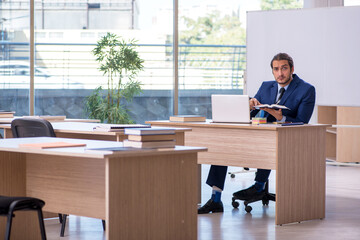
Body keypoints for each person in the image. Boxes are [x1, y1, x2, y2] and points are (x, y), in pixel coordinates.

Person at [198, 52, 316, 214]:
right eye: (276, 69)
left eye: (284, 69)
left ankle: (259, 186)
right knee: (223, 149)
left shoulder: (306, 90)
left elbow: (302, 121)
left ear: (292, 69)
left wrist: (279, 116)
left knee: (266, 143)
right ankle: (216, 198)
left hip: (286, 140)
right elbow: (251, 114)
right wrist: (249, 105)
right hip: (259, 136)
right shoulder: (266, 86)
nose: (280, 73)